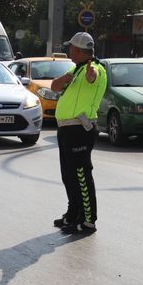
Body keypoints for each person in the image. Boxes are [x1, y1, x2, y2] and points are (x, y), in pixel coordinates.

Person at [50, 32, 106, 234]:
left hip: (80, 129)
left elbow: (93, 78)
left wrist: (90, 76)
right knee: (68, 175)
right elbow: (55, 87)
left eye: (71, 48)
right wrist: (64, 78)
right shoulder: (75, 69)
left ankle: (89, 220)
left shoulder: (95, 69)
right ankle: (73, 214)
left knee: (81, 175)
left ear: (78, 50)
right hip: (66, 128)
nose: (68, 51)